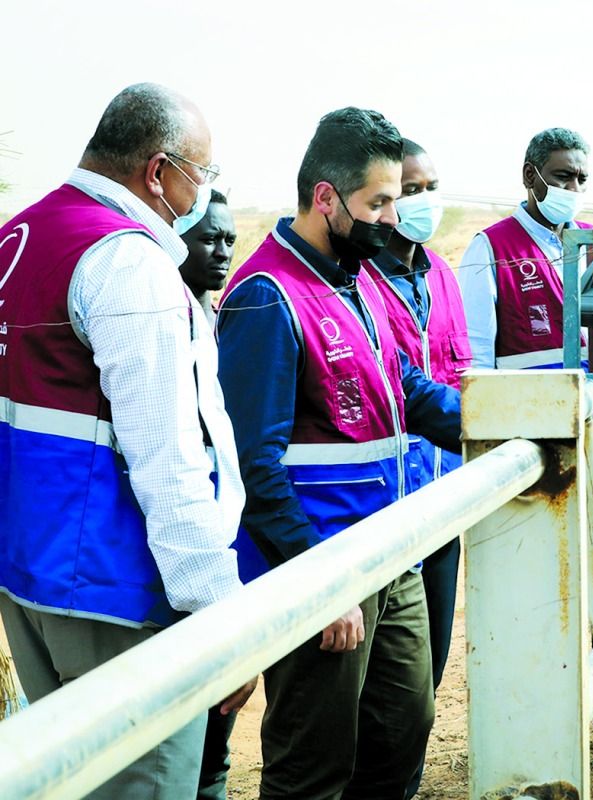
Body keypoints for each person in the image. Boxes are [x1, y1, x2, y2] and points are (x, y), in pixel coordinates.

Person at [0, 83, 253, 798]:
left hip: (33, 580)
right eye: (202, 174)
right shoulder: (127, 260)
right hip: (118, 590)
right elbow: (168, 455)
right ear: (158, 170)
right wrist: (219, 620)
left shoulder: (20, 236)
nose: (203, 191)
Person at [216, 108, 461, 799]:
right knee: (314, 769)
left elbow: (404, 386)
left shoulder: (356, 281)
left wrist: (492, 424)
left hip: (392, 557)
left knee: (400, 740)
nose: (392, 217)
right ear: (326, 198)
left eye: (396, 200)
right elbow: (252, 467)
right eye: (378, 202)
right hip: (321, 573)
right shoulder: (267, 298)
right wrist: (319, 584)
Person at [458, 127, 593, 751]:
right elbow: (477, 365)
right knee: (539, 582)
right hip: (533, 451)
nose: (572, 189)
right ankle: (530, 721)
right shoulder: (491, 251)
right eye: (562, 176)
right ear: (530, 175)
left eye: (580, 179)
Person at [359, 139, 470, 797]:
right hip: (382, 499)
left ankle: (405, 780)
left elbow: (458, 370)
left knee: (426, 668)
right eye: (410, 191)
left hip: (444, 490)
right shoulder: (359, 282)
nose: (425, 202)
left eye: (432, 187)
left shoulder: (441, 274)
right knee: (379, 681)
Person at [174, 188, 244, 800]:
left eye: (229, 239)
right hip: (183, 543)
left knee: (218, 729)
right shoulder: (160, 321)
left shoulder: (220, 316)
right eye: (208, 238)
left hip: (227, 533)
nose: (222, 252)